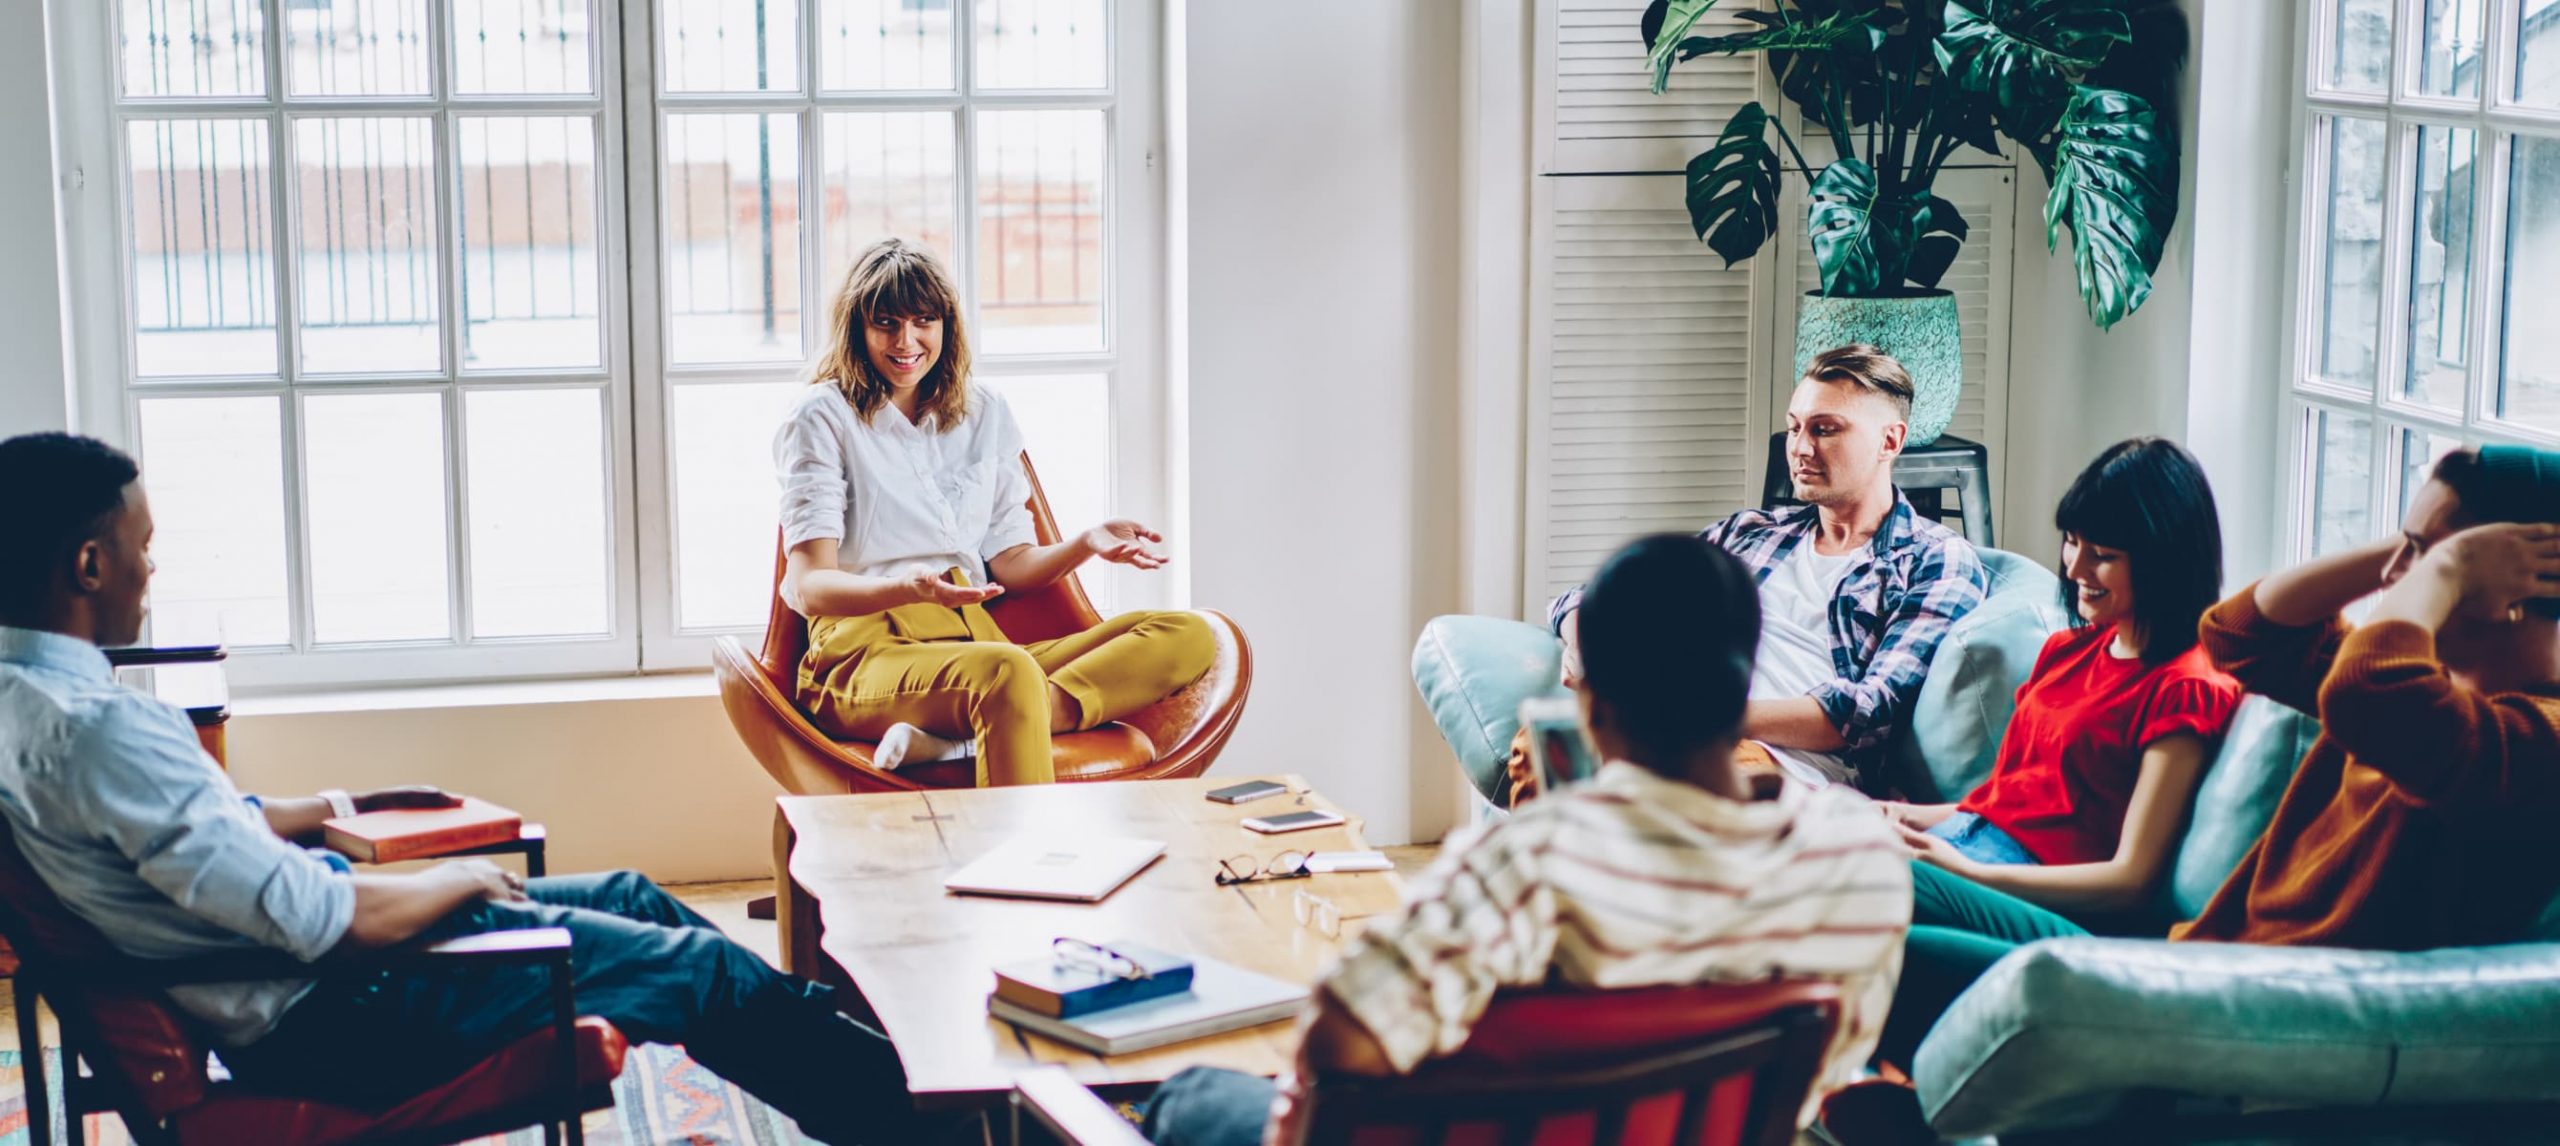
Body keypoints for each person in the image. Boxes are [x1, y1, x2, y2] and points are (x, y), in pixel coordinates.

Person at [0, 432, 956, 1145]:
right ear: (90, 565)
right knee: (696, 972)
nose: (151, 570)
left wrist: (334, 809)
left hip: (320, 978)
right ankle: (925, 1124)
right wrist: (453, 882)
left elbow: (188, 842)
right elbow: (303, 914)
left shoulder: (31, 702)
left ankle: (853, 1052)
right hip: (337, 1010)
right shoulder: (102, 730)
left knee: (629, 892)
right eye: (144, 548)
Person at [1142, 534, 1912, 1145]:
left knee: (1192, 1098)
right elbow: (1829, 1065)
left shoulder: (1542, 861)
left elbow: (1343, 1043)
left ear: (1594, 705)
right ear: (1742, 685)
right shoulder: (1860, 857)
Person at [1862, 444, 2560, 1091]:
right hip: (2190, 966)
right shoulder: (2423, 695)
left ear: (2516, 589)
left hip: (2240, 1017)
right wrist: (2419, 545)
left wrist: (2442, 564)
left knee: (1892, 953)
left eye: (2432, 561)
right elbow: (2238, 634)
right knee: (1868, 917)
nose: (2395, 577)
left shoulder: (2523, 736)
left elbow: (2370, 695)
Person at [773, 238, 1216, 784]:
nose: (906, 341)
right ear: (857, 330)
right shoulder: (821, 416)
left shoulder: (984, 411)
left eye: (923, 321)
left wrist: (1085, 543)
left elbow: (1011, 564)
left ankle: (953, 741)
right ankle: (1024, 866)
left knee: (1187, 634)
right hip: (862, 653)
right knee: (1006, 675)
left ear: (947, 326)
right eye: (885, 323)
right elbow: (810, 586)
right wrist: (910, 588)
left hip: (976, 645)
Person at [1549, 345, 1988, 791]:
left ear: (1889, 441)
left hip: (1777, 761)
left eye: (1825, 430)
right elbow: (1589, 598)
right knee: (1542, 750)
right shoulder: (1751, 533)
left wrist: (1692, 718)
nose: (1799, 448)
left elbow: (1869, 709)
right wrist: (1585, 643)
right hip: (1662, 731)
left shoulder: (1934, 559)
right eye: (1794, 427)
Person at [1883, 440, 2242, 927]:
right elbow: (2003, 805)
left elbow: (2130, 881)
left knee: (1867, 881)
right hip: (1970, 850)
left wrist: (1964, 874)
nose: (2074, 569)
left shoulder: (2185, 687)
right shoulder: (2068, 649)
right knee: (1815, 834)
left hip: (2048, 906)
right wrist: (1895, 817)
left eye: (2103, 555)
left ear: (2164, 561)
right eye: (2073, 541)